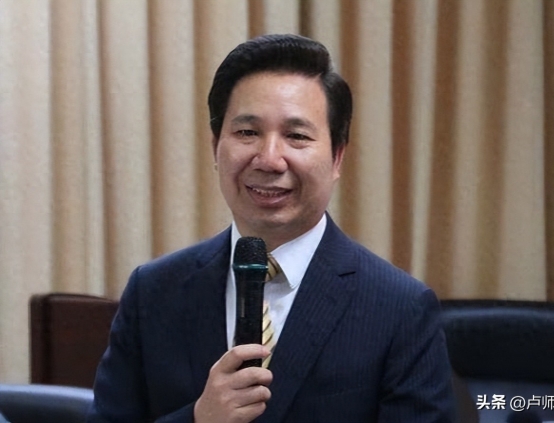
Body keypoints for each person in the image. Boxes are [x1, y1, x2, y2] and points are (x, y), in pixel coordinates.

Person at [87, 34, 456, 423]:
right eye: (248, 133)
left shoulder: (399, 308)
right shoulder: (153, 292)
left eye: (296, 136)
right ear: (215, 146)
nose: (269, 159)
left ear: (337, 157)